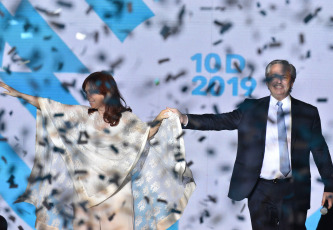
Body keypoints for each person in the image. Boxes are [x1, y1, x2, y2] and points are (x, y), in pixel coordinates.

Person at [0, 72, 195, 230]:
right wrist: (18, 94)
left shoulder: (127, 119)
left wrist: (159, 119)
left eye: (93, 91)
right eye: (86, 92)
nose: (89, 96)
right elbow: (49, 106)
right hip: (86, 193)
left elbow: (145, 136)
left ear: (107, 92)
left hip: (118, 194)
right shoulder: (82, 115)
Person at [169, 60, 333, 230]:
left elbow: (320, 150)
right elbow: (219, 121)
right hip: (259, 190)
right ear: (267, 81)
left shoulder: (308, 113)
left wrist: (330, 186)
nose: (278, 81)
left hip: (294, 190)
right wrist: (185, 119)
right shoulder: (250, 109)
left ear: (292, 81)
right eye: (274, 77)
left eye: (283, 77)